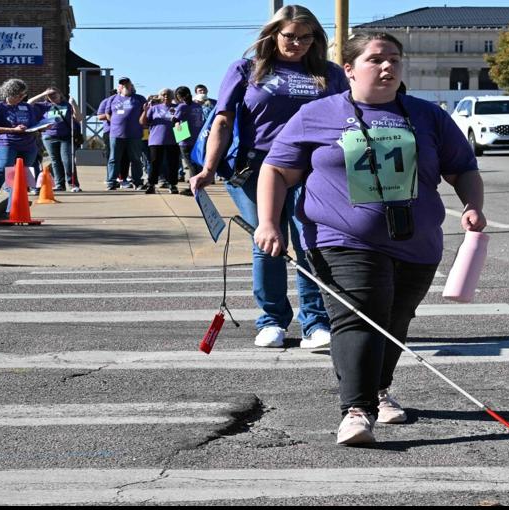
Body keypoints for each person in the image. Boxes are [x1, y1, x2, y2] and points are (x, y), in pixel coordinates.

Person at [256, 32, 486, 446]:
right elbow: (276, 170)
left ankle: (378, 391)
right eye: (376, 59)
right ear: (348, 68)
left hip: (417, 241)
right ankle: (356, 411)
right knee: (359, 314)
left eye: (395, 60)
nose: (388, 67)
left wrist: (471, 204)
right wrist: (269, 223)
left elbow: (462, 168)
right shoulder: (316, 114)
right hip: (340, 237)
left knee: (395, 322)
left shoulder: (427, 116)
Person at [189, 5, 348, 350]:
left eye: (306, 37)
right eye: (290, 35)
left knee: (309, 241)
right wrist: (209, 168)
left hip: (311, 168)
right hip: (255, 167)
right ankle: (272, 320)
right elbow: (222, 120)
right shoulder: (247, 69)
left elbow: (344, 121)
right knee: (267, 240)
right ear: (273, 35)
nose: (298, 43)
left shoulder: (329, 73)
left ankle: (315, 322)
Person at [0, 78, 46, 208]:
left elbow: (33, 124)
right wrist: (13, 130)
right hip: (6, 142)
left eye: (24, 95)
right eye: (19, 95)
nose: (22, 97)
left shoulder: (26, 107)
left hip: (28, 144)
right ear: (9, 93)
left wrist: (42, 127)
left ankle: (15, 205)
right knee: (3, 168)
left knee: (22, 174)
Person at [92, 77, 146, 190]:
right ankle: (111, 182)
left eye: (127, 84)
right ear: (119, 87)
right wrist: (117, 123)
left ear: (131, 86)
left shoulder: (139, 99)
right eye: (122, 84)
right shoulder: (112, 99)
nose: (125, 86)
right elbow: (107, 114)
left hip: (134, 134)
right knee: (113, 159)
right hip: (116, 134)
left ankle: (138, 182)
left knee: (135, 159)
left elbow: (145, 113)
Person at [30, 87, 81, 193]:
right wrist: (43, 92)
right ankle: (59, 184)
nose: (52, 95)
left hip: (66, 137)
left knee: (67, 160)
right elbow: (29, 103)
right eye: (50, 94)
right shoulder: (44, 106)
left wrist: (74, 104)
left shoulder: (67, 105)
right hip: (49, 136)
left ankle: (73, 184)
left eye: (54, 93)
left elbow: (79, 118)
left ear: (60, 94)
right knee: (55, 161)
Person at [140, 88, 180, 194]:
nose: (166, 96)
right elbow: (143, 122)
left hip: (173, 141)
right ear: (160, 96)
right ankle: (151, 185)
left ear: (173, 96)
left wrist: (182, 139)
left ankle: (172, 185)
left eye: (168, 94)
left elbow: (182, 123)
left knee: (173, 164)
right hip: (156, 141)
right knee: (155, 164)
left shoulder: (178, 108)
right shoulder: (154, 108)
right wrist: (145, 111)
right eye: (163, 94)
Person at [175, 84, 203, 183]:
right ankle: (196, 183)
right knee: (196, 163)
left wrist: (173, 118)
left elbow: (175, 119)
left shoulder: (182, 106)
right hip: (197, 137)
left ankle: (194, 185)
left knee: (190, 163)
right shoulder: (198, 106)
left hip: (185, 138)